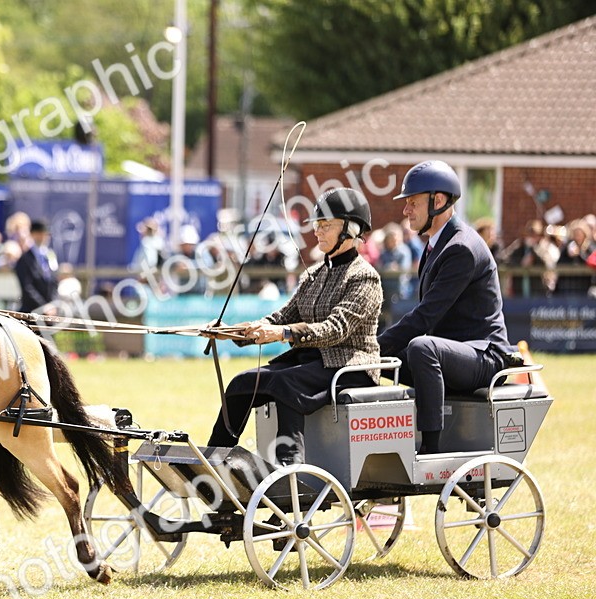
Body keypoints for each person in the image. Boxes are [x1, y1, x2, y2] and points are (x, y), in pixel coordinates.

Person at [206, 188, 382, 466]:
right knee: (241, 384)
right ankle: (214, 461)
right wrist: (232, 332)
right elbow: (281, 317)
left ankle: (289, 468)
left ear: (350, 229)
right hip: (312, 363)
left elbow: (335, 329)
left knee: (286, 383)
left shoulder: (365, 278)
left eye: (326, 226)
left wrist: (284, 333)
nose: (318, 232)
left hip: (350, 366)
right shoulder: (313, 275)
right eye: (317, 226)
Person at [379, 160, 515, 456]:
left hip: (484, 356)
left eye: (412, 203)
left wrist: (374, 347)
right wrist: (370, 354)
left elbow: (425, 316)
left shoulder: (461, 248)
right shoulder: (435, 246)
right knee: (387, 360)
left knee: (420, 348)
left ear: (437, 201)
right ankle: (383, 440)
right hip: (456, 352)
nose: (406, 211)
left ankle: (430, 449)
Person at [14, 219, 59, 315]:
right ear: (33, 235)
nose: (44, 237)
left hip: (50, 311)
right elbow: (27, 287)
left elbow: (54, 281)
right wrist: (43, 306)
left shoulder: (50, 255)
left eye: (46, 234)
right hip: (32, 311)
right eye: (40, 233)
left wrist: (52, 304)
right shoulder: (25, 259)